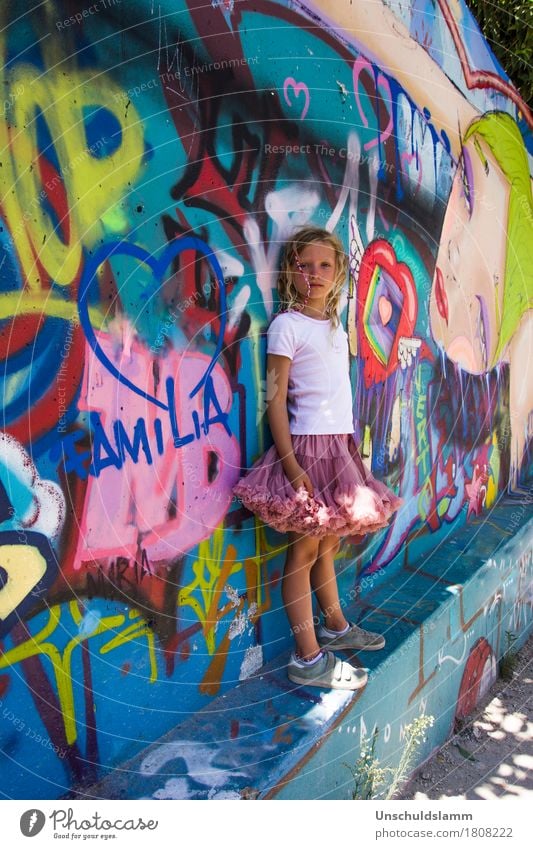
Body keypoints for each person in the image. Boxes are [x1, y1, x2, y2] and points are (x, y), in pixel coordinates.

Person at [233, 227, 402, 690]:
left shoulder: (332, 324)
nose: (315, 274)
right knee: (305, 551)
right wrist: (291, 466)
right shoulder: (287, 327)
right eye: (305, 265)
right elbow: (275, 399)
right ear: (292, 270)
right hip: (307, 449)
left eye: (325, 265)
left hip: (339, 447)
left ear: (337, 273)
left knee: (329, 543)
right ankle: (307, 659)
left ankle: (335, 627)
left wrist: (352, 449)